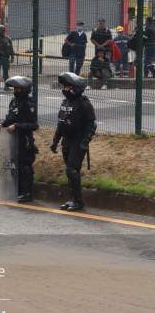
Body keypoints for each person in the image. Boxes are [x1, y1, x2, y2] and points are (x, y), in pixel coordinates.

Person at [51, 72, 96, 212]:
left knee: (72, 170)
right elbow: (60, 124)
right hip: (67, 141)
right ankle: (72, 199)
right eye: (65, 86)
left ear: (76, 88)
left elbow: (91, 125)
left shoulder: (84, 104)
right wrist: (55, 141)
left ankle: (78, 201)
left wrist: (85, 141)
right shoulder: (66, 102)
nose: (65, 89)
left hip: (78, 141)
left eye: (69, 86)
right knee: (69, 172)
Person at [0, 76, 39, 203]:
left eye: (18, 88)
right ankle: (17, 190)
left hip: (24, 140)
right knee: (14, 166)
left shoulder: (29, 104)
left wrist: (17, 126)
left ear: (25, 89)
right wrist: (2, 124)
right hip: (12, 140)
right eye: (14, 88)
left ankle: (27, 193)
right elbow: (10, 118)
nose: (16, 91)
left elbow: (34, 125)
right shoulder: (14, 102)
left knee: (25, 166)